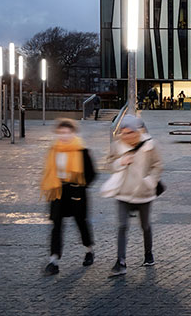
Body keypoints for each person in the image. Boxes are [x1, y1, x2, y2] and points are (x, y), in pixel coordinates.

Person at [105, 115, 163, 276]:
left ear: (137, 131)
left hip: (144, 193)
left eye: (129, 132)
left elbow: (158, 165)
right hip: (123, 192)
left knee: (145, 225)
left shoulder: (150, 145)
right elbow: (110, 163)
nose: (126, 136)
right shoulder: (117, 146)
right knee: (122, 226)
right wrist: (120, 162)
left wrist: (150, 181)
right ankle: (121, 262)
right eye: (123, 132)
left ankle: (148, 254)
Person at [40, 118, 97, 275]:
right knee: (56, 225)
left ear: (73, 133)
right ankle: (54, 260)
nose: (64, 136)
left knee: (80, 222)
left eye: (67, 132)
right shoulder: (54, 150)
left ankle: (89, 250)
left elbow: (92, 173)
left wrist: (80, 186)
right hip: (58, 191)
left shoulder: (81, 151)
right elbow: (48, 171)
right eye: (61, 133)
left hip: (76, 191)